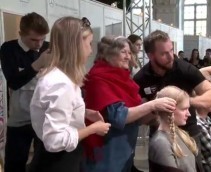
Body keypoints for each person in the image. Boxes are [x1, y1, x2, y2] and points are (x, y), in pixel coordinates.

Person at [81, 36, 176, 172]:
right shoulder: (99, 79)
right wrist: (153, 105)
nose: (128, 57)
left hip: (123, 154)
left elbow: (137, 119)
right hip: (106, 156)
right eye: (123, 52)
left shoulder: (123, 79)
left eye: (129, 53)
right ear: (109, 53)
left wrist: (158, 109)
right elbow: (120, 117)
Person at [29, 17, 111, 172]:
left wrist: (83, 112)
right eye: (89, 44)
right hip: (57, 163)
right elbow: (55, 141)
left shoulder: (59, 78)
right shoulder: (60, 83)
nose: (91, 50)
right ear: (77, 45)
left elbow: (53, 112)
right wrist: (93, 128)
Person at [134, 30, 211, 172]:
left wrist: (184, 102)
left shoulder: (184, 69)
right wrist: (157, 106)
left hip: (189, 132)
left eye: (171, 50)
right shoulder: (141, 79)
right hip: (160, 134)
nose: (171, 57)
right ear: (151, 55)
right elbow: (141, 118)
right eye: (164, 54)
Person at [0, 12, 49, 172]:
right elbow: (14, 81)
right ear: (21, 34)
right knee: (14, 164)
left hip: (44, 118)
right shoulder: (9, 49)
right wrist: (38, 64)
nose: (39, 44)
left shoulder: (47, 48)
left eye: (42, 39)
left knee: (44, 163)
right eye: (34, 39)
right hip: (20, 119)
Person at [149, 86, 197, 172]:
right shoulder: (161, 143)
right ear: (169, 111)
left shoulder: (181, 134)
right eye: (184, 109)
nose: (189, 114)